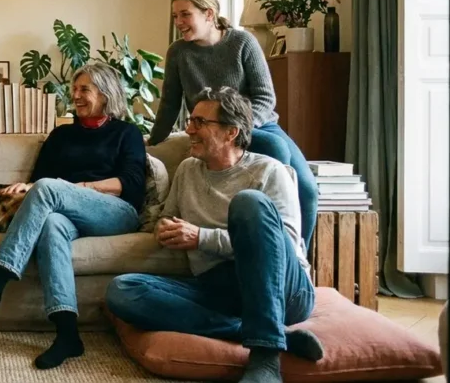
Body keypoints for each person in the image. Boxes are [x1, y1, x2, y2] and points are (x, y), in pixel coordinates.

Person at [106, 87, 323, 383]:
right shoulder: (187, 170)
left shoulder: (269, 171)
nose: (189, 129)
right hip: (219, 287)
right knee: (123, 291)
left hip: (283, 289)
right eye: (190, 121)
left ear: (231, 132)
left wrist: (201, 238)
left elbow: (281, 244)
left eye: (199, 122)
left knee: (249, 203)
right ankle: (261, 331)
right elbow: (168, 216)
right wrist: (165, 227)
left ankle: (265, 357)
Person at [0, 62, 147, 370]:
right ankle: (67, 332)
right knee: (51, 224)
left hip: (115, 211)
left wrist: (76, 187)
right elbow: (41, 178)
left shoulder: (126, 133)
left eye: (84, 90)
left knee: (49, 190)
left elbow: (131, 183)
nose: (75, 95)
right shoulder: (61, 134)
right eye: (74, 89)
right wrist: (28, 187)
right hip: (64, 209)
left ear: (106, 94)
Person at [147, 0, 319, 246]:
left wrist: (238, 130)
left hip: (258, 125)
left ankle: (294, 259)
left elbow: (265, 98)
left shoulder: (242, 43)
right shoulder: (178, 52)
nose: (178, 22)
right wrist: (152, 140)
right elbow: (170, 104)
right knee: (275, 149)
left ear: (209, 13)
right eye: (175, 16)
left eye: (185, 14)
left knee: (307, 189)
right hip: (211, 128)